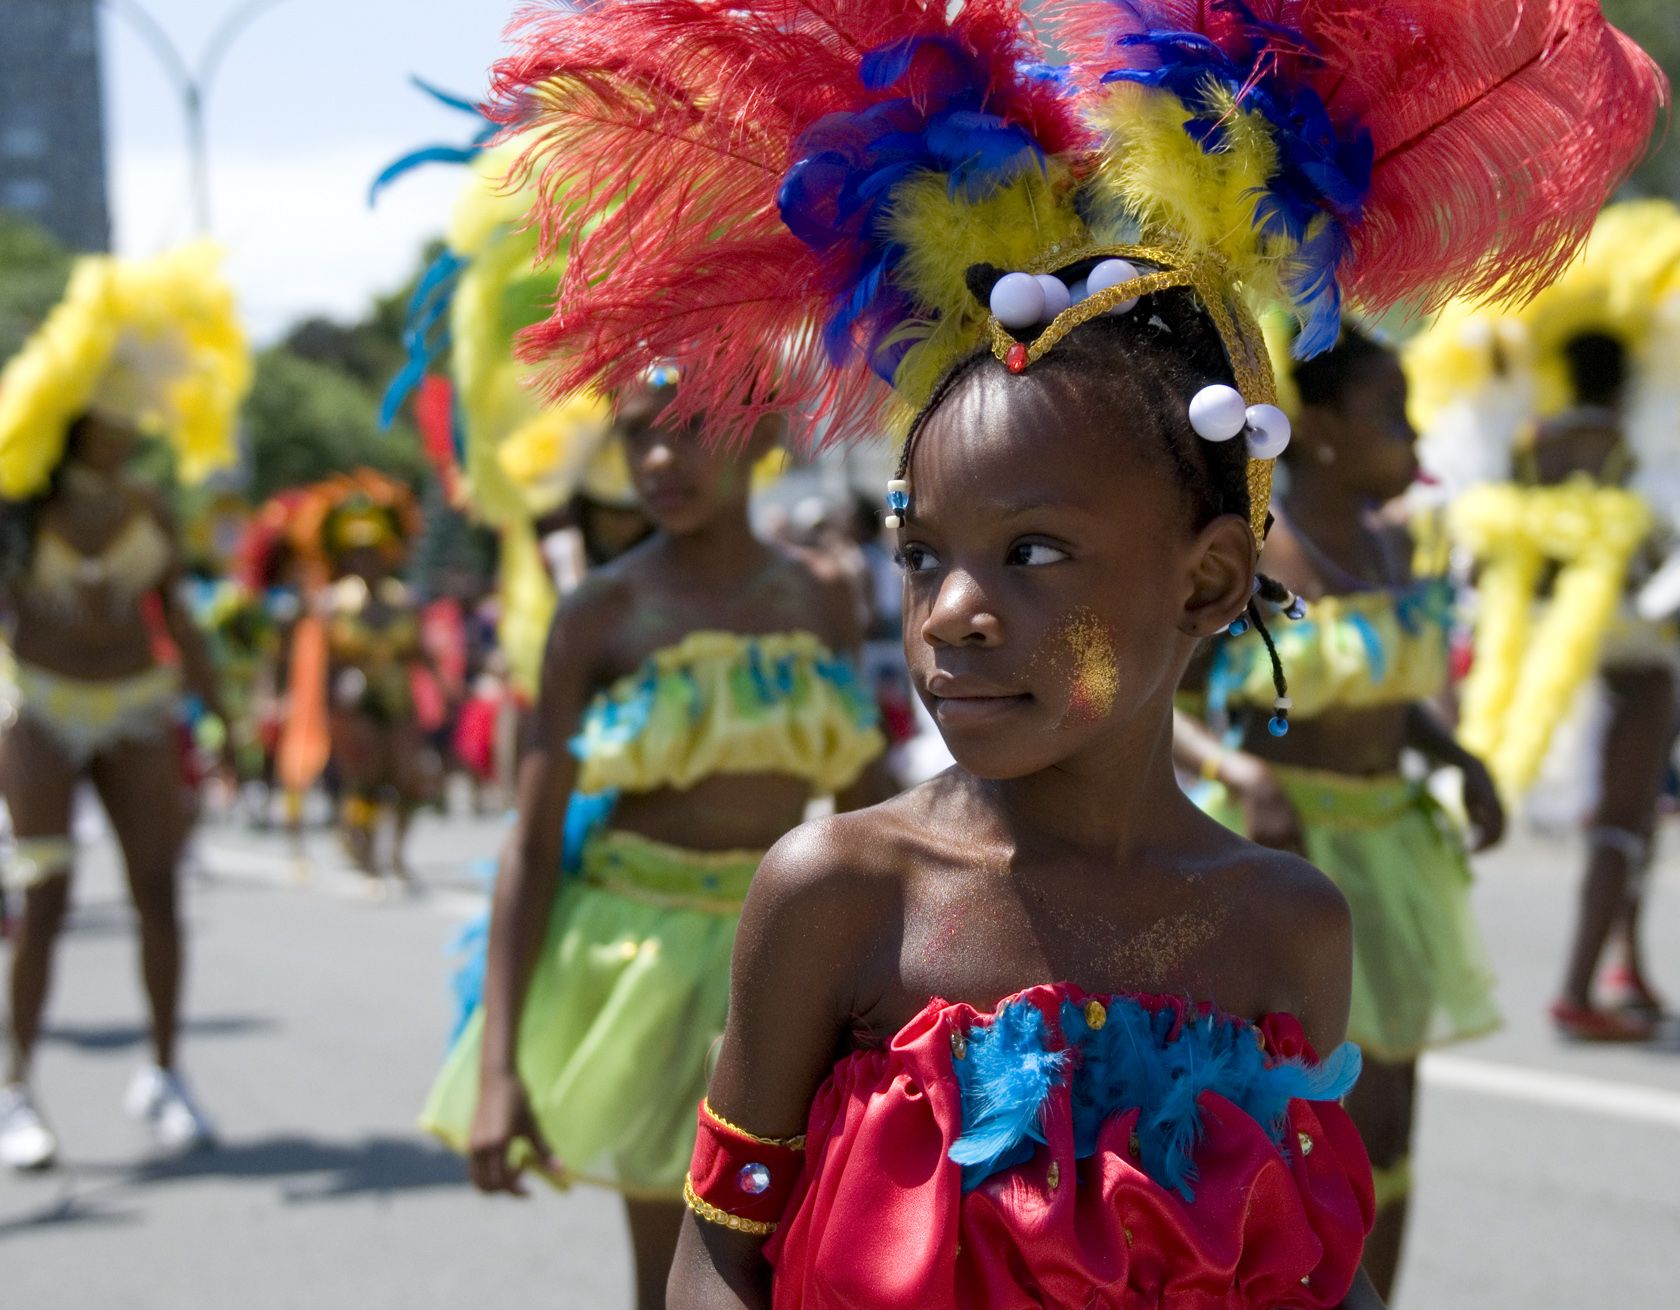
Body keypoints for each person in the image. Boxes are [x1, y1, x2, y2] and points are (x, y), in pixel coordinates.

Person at [479, 0, 1657, 1306]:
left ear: (1209, 578)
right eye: (923, 552)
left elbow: (1322, 1271)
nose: (953, 612)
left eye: (1034, 553)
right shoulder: (841, 896)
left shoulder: (1285, 928)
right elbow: (720, 1245)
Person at [420, 373, 892, 1310]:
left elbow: (864, 802)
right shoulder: (598, 613)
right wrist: (497, 1067)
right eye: (638, 438)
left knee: (806, 1250)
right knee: (688, 1274)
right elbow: (532, 843)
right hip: (638, 966)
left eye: (691, 429)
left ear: (757, 433)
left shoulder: (823, 596)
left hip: (782, 959)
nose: (661, 460)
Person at [1173, 327, 1504, 1298]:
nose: (1412, 432)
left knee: (1392, 1120)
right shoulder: (1254, 553)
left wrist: (1458, 757)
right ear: (1317, 430)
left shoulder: (1393, 542)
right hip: (1284, 851)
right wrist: (1236, 762)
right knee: (1310, 1117)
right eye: (1389, 410)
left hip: (1395, 850)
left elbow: (1387, 694)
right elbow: (1169, 699)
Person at [1404, 201, 1680, 1041]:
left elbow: (1483, 547)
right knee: (1623, 822)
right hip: (1636, 649)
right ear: (1630, 376)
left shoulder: (1530, 449)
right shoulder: (1641, 456)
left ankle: (1625, 962)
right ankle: (1580, 985)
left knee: (1604, 815)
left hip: (1537, 644)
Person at [0, 245, 251, 1169]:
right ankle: (15, 1087)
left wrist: (224, 719)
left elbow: (180, 620)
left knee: (158, 894)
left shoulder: (149, 503)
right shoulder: (16, 506)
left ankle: (164, 1071)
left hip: (140, 706)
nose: (116, 437)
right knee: (45, 892)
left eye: (126, 424)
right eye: (100, 424)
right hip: (40, 704)